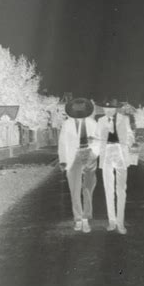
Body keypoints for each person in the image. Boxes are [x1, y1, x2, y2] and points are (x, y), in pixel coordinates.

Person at [58, 97, 99, 233]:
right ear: (72, 111)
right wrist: (63, 160)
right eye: (77, 111)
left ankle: (86, 219)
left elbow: (99, 141)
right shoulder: (67, 124)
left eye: (82, 111)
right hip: (73, 157)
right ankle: (78, 219)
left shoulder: (93, 123)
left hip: (89, 155)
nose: (79, 114)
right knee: (74, 189)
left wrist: (94, 151)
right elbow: (62, 143)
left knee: (88, 188)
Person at [96, 98, 135, 234]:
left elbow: (130, 134)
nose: (108, 111)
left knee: (121, 190)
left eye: (111, 109)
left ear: (116, 109)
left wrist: (127, 144)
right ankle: (111, 221)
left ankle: (120, 222)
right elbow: (96, 138)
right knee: (108, 189)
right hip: (106, 154)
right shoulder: (100, 121)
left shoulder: (124, 119)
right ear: (103, 109)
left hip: (120, 154)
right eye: (106, 109)